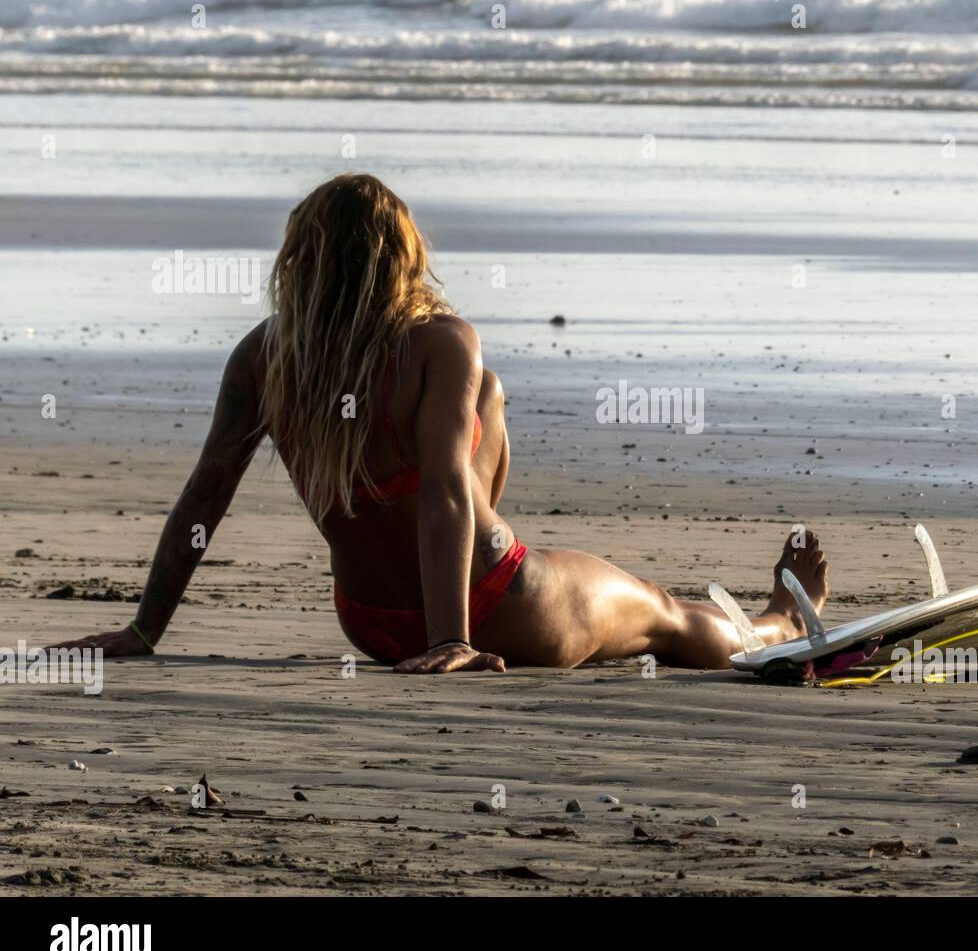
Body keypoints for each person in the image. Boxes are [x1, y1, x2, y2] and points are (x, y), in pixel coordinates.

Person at [53, 175, 828, 675]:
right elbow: (447, 498)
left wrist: (144, 629)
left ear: (302, 259)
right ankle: (776, 623)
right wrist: (453, 638)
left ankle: (771, 617)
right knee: (664, 613)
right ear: (402, 256)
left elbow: (204, 498)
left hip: (371, 622)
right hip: (498, 604)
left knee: (483, 398)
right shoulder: (437, 342)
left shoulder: (266, 357)